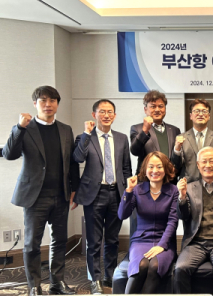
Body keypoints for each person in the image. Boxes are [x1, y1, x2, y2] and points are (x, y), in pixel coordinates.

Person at [2, 86, 80, 296]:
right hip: (35, 197)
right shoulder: (25, 129)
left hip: (61, 195)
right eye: (43, 100)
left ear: (57, 104)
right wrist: (19, 128)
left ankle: (57, 283)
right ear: (35, 103)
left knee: (60, 241)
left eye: (52, 100)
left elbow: (72, 162)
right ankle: (34, 286)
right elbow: (9, 154)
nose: (48, 104)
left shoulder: (65, 129)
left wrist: (75, 189)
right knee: (31, 244)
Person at [72, 99, 132, 294]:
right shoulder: (85, 137)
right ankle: (95, 280)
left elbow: (126, 168)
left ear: (114, 115)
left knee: (113, 239)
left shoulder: (122, 138)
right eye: (102, 111)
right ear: (94, 115)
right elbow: (78, 158)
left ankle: (110, 274)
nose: (106, 115)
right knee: (94, 240)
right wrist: (86, 134)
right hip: (94, 195)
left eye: (110, 112)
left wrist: (127, 193)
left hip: (116, 193)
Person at [174, 147, 213, 296]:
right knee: (180, 268)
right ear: (198, 165)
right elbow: (183, 216)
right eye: (204, 161)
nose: (207, 165)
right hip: (196, 242)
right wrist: (182, 197)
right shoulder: (189, 188)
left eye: (211, 161)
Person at [117, 152, 179, 294]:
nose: (155, 170)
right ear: (145, 169)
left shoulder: (173, 190)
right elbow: (122, 215)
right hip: (140, 240)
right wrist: (128, 191)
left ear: (165, 169)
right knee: (142, 265)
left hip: (164, 241)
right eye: (151, 167)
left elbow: (172, 221)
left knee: (155, 266)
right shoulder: (138, 190)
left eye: (159, 166)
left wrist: (161, 246)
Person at [172, 99, 213, 182]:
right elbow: (176, 166)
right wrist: (177, 149)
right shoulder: (181, 137)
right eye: (197, 111)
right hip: (188, 185)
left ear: (209, 116)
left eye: (204, 111)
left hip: (211, 185)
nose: (200, 114)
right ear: (190, 116)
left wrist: (208, 180)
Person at [130, 90, 181, 175]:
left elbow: (177, 157)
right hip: (147, 180)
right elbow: (135, 151)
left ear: (165, 109)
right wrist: (145, 131)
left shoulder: (175, 130)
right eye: (153, 106)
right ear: (145, 110)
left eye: (161, 106)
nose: (157, 110)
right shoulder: (137, 128)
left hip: (169, 180)